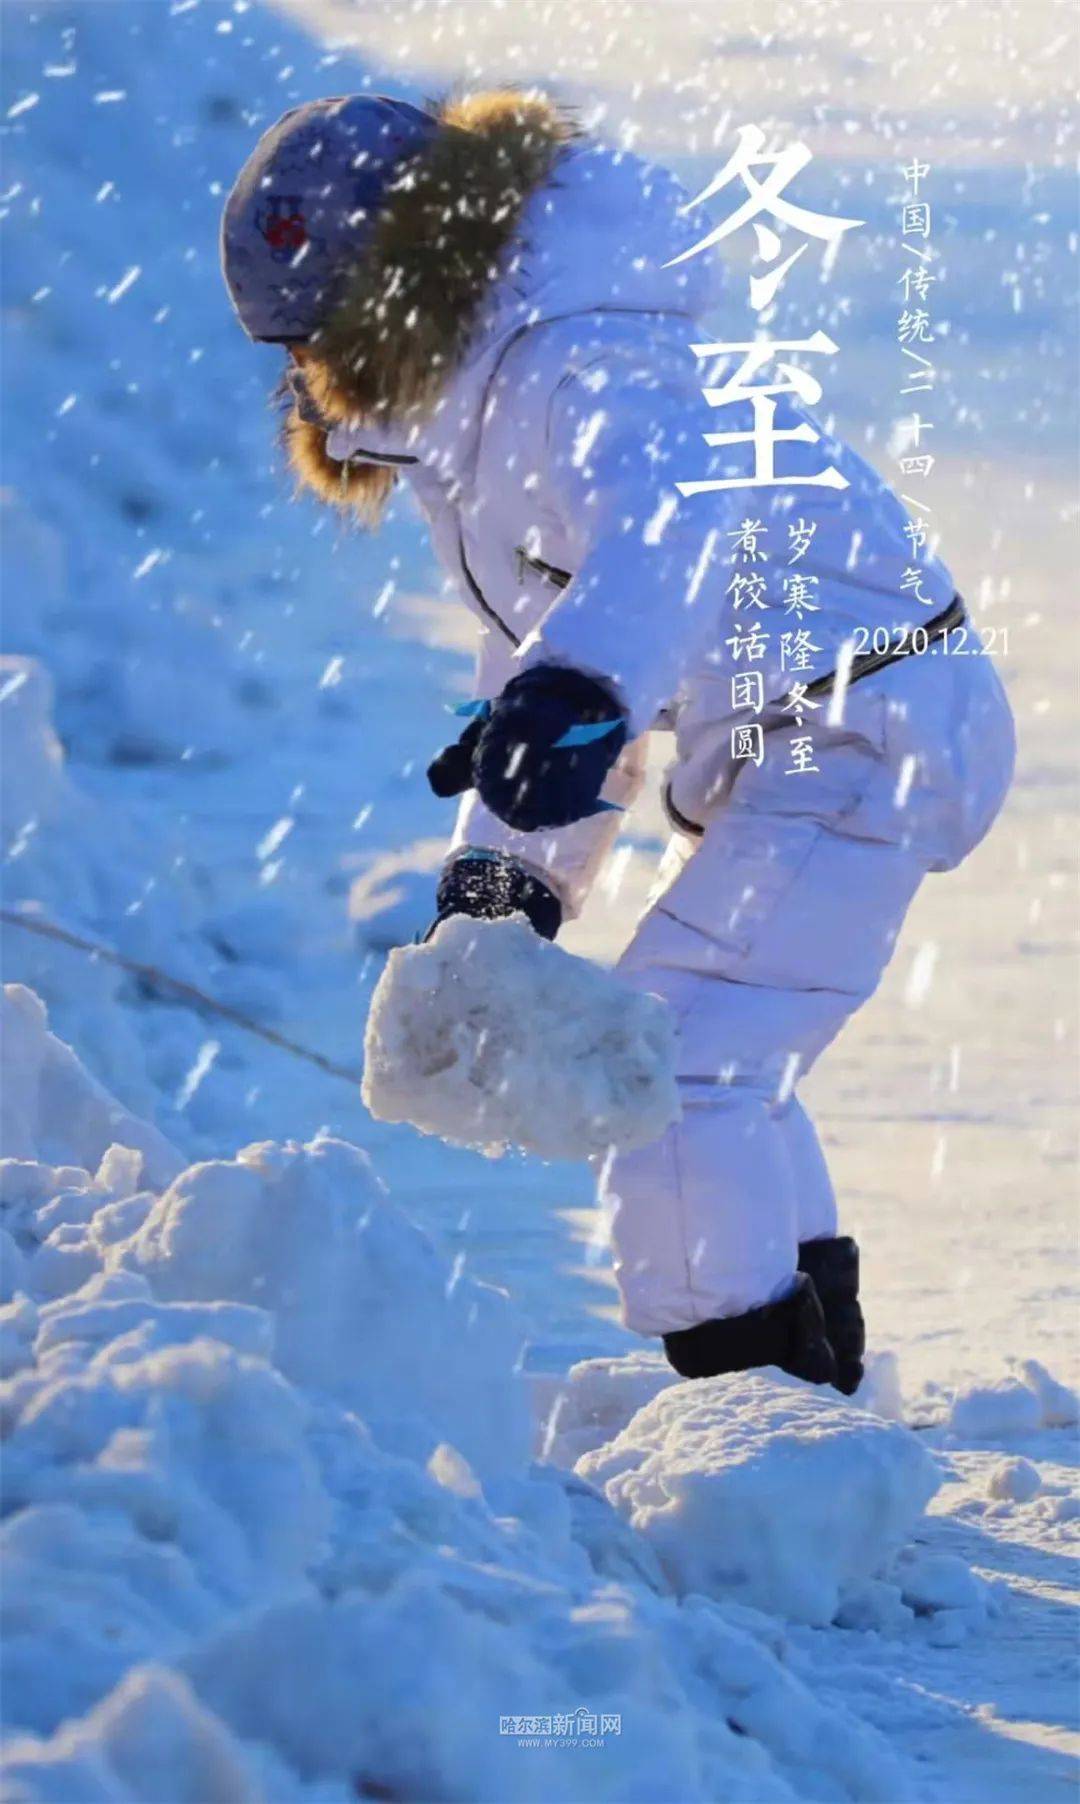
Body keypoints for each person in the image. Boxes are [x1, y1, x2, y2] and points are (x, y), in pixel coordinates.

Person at [221, 89, 1016, 1394]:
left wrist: (575, 695)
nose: (314, 378)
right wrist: (507, 876)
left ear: (402, 284)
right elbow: (552, 644)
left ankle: (749, 1401)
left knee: (675, 1061)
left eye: (325, 338)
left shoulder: (578, 358)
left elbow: (665, 540)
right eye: (297, 351)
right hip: (812, 731)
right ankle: (809, 1407)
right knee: (726, 1065)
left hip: (873, 716)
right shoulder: (473, 417)